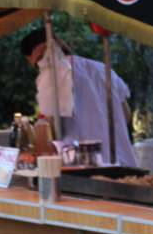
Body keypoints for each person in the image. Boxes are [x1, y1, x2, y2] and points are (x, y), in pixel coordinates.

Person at [20, 28, 137, 168]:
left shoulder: (51, 75)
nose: (40, 68)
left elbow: (51, 128)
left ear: (42, 50)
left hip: (84, 163)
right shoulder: (103, 69)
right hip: (121, 159)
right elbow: (126, 115)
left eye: (37, 63)